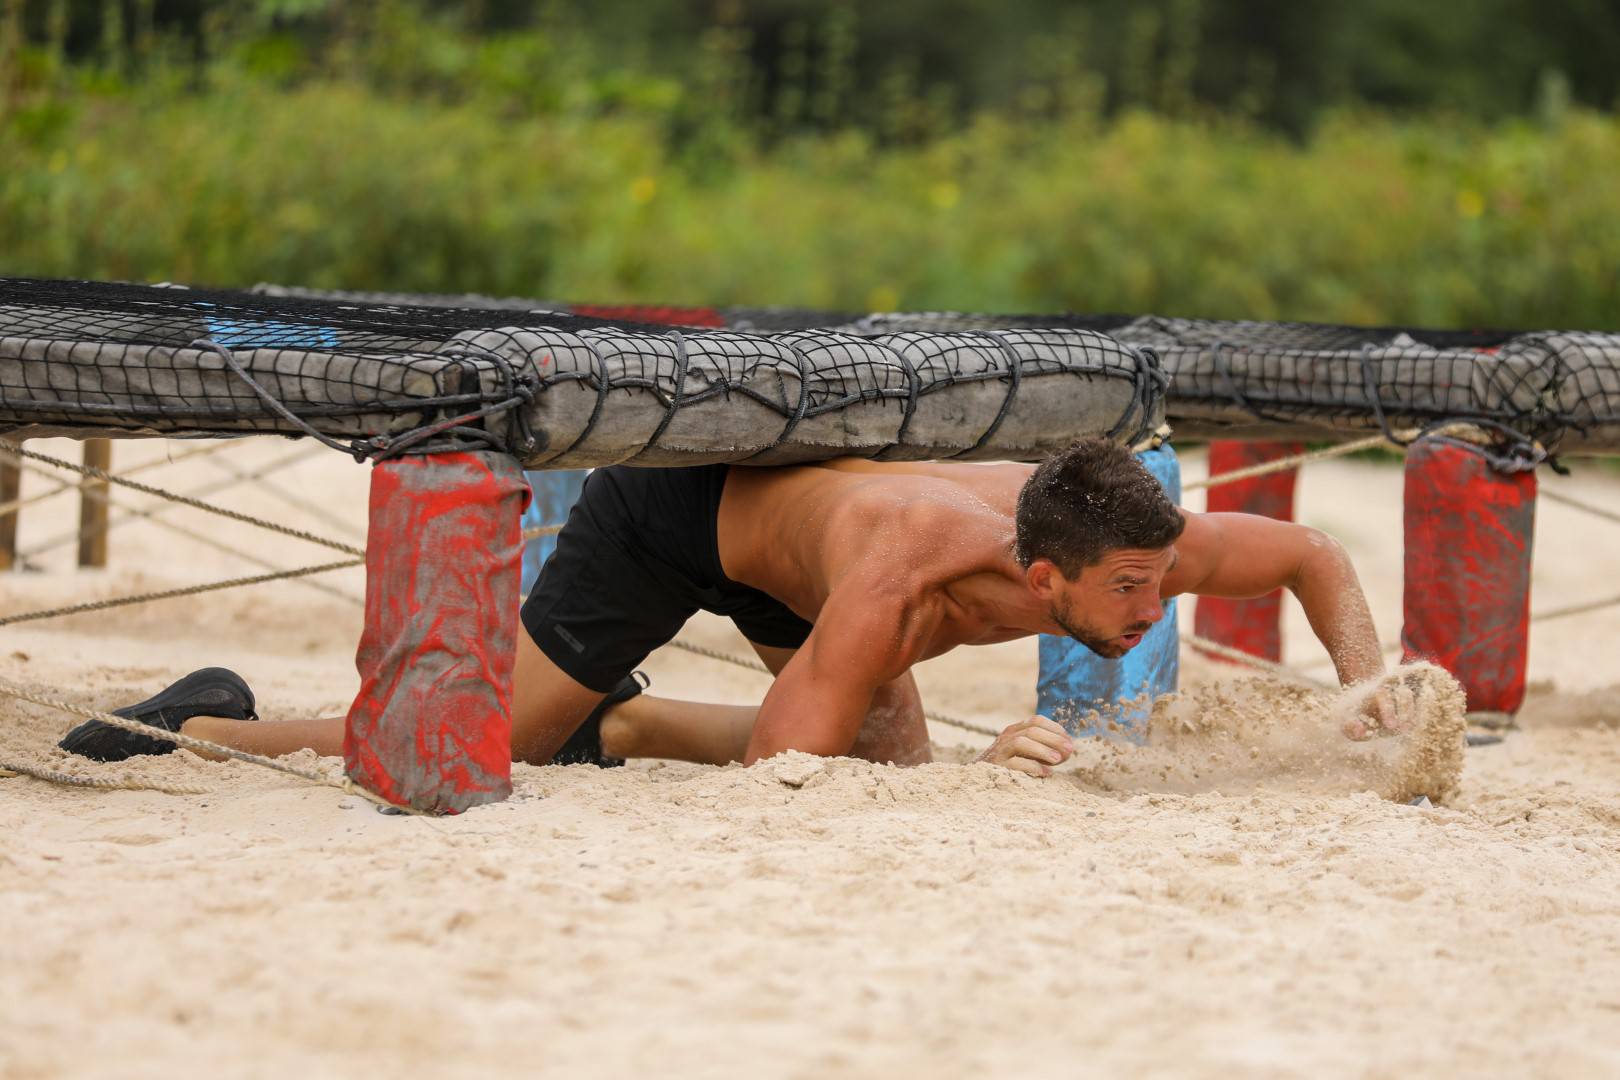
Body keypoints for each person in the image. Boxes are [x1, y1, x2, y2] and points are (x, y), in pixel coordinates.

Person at [61, 438, 1396, 777]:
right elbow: (780, 766)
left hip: (790, 544)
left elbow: (1312, 556)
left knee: (894, 759)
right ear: (1042, 578)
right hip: (672, 520)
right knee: (491, 744)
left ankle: (630, 729)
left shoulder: (1122, 540)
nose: (1154, 608)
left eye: (1156, 581)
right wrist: (990, 764)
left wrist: (1363, 687)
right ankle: (215, 724)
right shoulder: (899, 584)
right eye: (1127, 593)